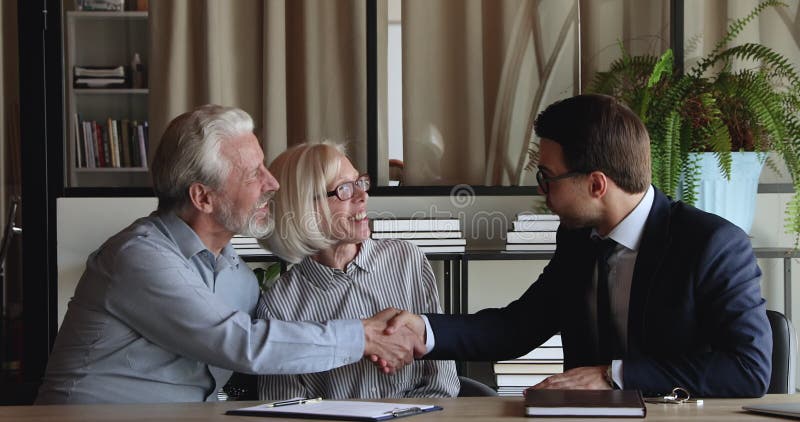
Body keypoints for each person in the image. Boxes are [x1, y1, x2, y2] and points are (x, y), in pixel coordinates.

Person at [386, 94, 772, 398]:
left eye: (547, 177)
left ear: (596, 185)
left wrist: (614, 376)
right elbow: (518, 327)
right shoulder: (578, 238)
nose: (541, 189)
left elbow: (747, 369)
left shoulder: (711, 245)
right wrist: (423, 329)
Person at [36, 105, 420, 404]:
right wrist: (363, 337)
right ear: (203, 197)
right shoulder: (138, 257)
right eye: (253, 174)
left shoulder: (239, 279)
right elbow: (241, 344)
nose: (272, 183)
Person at [256, 142, 459, 399]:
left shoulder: (408, 261)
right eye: (343, 189)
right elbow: (285, 408)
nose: (362, 196)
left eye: (359, 182)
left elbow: (442, 384)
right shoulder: (279, 306)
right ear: (305, 208)